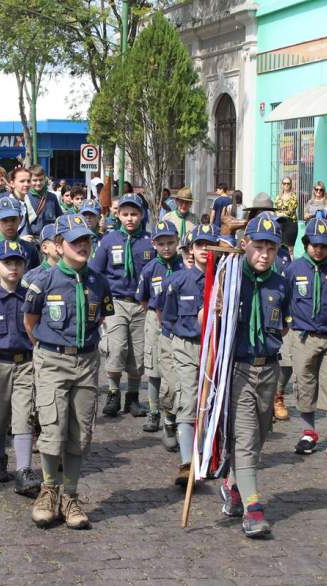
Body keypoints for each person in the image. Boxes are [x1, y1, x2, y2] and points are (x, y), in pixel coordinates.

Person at [23, 214, 114, 529]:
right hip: (52, 360)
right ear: (59, 246)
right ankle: (49, 490)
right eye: (75, 241)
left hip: (87, 364)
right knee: (53, 429)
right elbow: (30, 322)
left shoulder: (99, 282)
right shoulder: (44, 280)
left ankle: (70, 495)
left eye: (86, 240)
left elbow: (103, 316)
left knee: (80, 433)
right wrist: (50, 350)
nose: (83, 246)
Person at [218, 214, 289, 539]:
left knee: (259, 436)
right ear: (245, 245)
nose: (263, 254)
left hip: (269, 368)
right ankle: (253, 509)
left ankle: (233, 484)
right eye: (258, 247)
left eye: (270, 248)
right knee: (245, 440)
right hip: (240, 368)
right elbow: (212, 315)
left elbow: (283, 324)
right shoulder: (231, 277)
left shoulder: (280, 282)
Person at [0, 239, 41, 495]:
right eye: (7, 262)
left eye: (18, 262)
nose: (13, 267)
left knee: (25, 415)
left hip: (25, 363)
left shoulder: (31, 299)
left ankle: (24, 470)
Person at [159, 224, 220, 485]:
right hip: (186, 345)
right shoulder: (178, 281)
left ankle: (209, 455)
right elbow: (167, 316)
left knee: (213, 401)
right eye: (199, 245)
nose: (205, 250)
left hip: (216, 349)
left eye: (210, 245)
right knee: (188, 398)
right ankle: (187, 463)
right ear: (191, 250)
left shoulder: (224, 280)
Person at [284, 218, 327, 459]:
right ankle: (309, 432)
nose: (318, 249)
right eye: (314, 245)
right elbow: (285, 300)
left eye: (323, 245)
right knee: (305, 383)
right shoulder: (294, 269)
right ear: (306, 243)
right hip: (304, 336)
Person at [91, 193, 155, 419]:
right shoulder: (108, 241)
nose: (130, 219)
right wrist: (99, 304)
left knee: (138, 353)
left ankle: (133, 397)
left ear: (142, 215)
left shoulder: (149, 241)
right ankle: (113, 393)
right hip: (115, 302)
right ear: (117, 215)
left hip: (140, 305)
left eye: (134, 214)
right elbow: (96, 273)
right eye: (125, 214)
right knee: (116, 348)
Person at [135, 220, 182, 436]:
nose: (166, 247)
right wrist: (156, 313)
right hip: (155, 319)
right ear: (154, 244)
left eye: (170, 242)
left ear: (177, 242)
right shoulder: (149, 269)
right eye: (161, 243)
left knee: (174, 367)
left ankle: (171, 413)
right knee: (154, 368)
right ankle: (154, 411)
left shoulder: (184, 266)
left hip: (180, 320)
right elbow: (143, 299)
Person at [24, 165, 63, 240]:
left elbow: (60, 218)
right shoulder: (25, 198)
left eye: (41, 180)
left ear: (45, 179)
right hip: (32, 239)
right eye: (35, 180)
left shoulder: (52, 197)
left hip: (50, 239)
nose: (38, 183)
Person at [273, 177, 298, 253]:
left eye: (288, 183)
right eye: (284, 183)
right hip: (279, 224)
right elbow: (275, 210)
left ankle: (290, 265)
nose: (286, 185)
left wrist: (279, 213)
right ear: (282, 185)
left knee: (289, 250)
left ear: (290, 185)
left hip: (290, 224)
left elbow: (290, 211)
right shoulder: (278, 197)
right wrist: (278, 213)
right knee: (278, 247)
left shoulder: (294, 196)